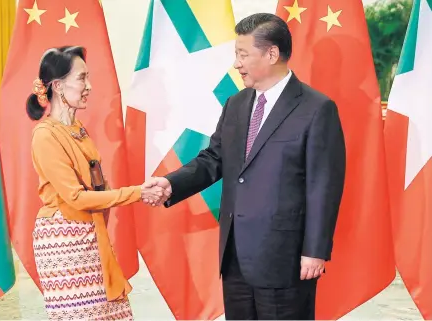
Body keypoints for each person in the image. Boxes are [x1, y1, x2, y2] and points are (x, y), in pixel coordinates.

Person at [145, 13, 346, 320]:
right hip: (235, 254)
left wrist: (315, 250)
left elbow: (323, 186)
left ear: (272, 54)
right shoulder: (236, 104)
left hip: (286, 258)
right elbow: (213, 159)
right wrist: (171, 183)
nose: (236, 64)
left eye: (242, 54)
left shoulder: (316, 109)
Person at [27, 46, 165, 321]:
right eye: (81, 78)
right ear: (57, 85)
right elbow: (76, 198)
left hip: (90, 236)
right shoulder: (45, 136)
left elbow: (98, 189)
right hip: (64, 244)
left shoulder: (78, 132)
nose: (89, 86)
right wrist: (137, 192)